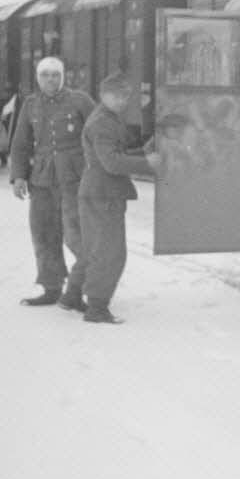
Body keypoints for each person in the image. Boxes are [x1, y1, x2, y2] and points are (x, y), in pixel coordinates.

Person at [9, 56, 95, 309]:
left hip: (75, 179)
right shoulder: (30, 104)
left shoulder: (80, 100)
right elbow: (21, 143)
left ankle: (83, 290)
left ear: (63, 77)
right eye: (45, 75)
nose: (50, 79)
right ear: (38, 78)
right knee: (44, 233)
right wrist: (19, 176)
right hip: (42, 179)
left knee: (77, 236)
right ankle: (52, 288)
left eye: (55, 75)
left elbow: (99, 133)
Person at [76, 72, 161, 324]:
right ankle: (96, 308)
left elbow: (115, 153)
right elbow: (111, 163)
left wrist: (142, 152)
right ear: (103, 95)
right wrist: (147, 163)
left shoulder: (108, 118)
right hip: (103, 194)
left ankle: (73, 297)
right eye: (116, 95)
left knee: (96, 249)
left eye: (125, 96)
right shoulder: (103, 122)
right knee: (109, 253)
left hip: (100, 192)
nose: (122, 100)